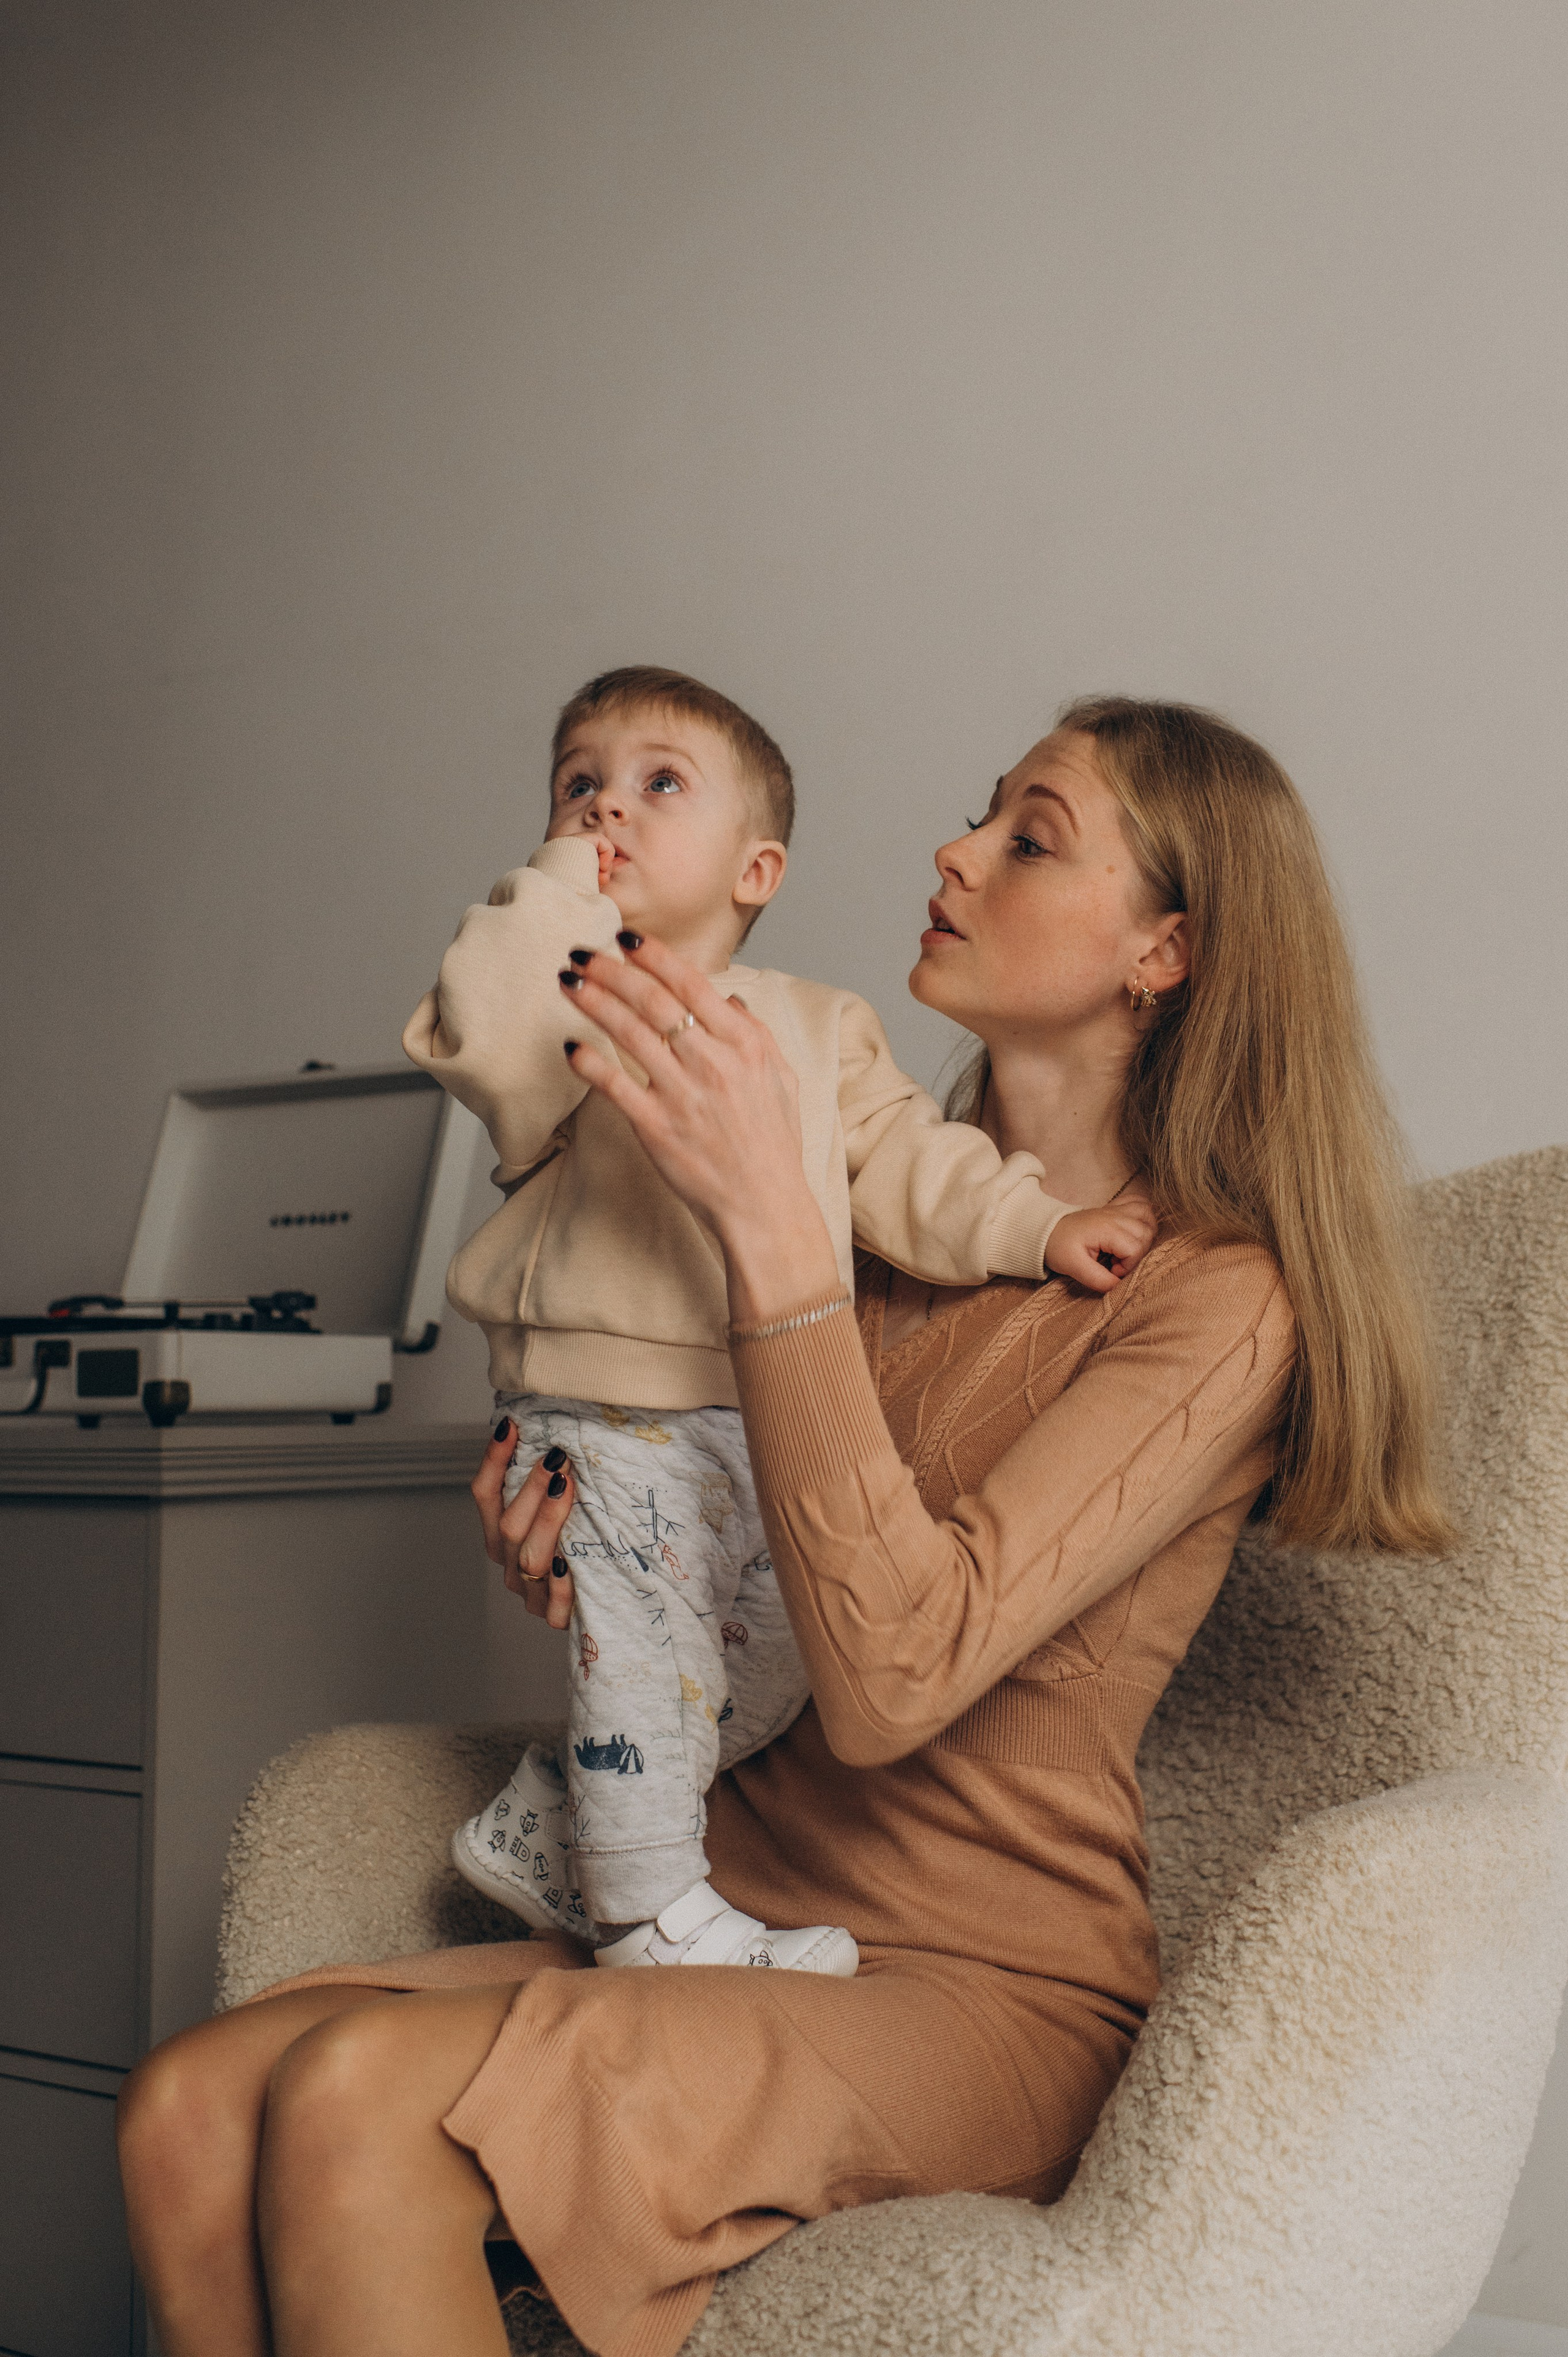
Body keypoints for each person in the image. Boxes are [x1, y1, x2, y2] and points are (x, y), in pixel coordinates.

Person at [116, 698, 1452, 2357]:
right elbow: (744, 1571)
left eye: (1028, 837)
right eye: (979, 816)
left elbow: (896, 1675)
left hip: (978, 1989)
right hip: (733, 1911)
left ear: (1162, 951)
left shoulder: (1214, 1305)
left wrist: (774, 1246)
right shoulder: (874, 1225)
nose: (952, 854)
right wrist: (586, 1540)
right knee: (184, 2112)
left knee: (350, 2109)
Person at [404, 665, 1152, 1970]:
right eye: (578, 783)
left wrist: (1037, 1227)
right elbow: (477, 1024)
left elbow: (912, 1165)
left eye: (656, 784)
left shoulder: (818, 1028)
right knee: (640, 1646)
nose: (605, 809)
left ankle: (557, 1822)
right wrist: (560, 885)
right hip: (598, 1402)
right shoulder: (568, 1002)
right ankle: (645, 1911)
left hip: (745, 1419)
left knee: (762, 1665)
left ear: (756, 870)